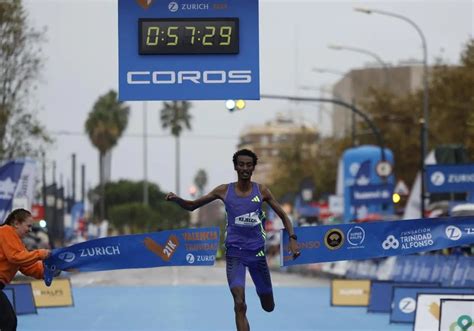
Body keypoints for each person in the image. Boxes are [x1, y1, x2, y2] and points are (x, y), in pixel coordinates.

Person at [166, 149, 300, 331]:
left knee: (268, 306)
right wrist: (178, 200)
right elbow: (192, 206)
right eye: (241, 164)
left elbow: (284, 216)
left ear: (253, 167)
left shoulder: (261, 191)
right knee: (239, 304)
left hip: (257, 254)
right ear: (236, 167)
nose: (245, 168)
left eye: (249, 165)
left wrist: (292, 238)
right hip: (235, 254)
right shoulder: (224, 191)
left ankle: (265, 297)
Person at [0, 209, 51, 331]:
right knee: (9, 321)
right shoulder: (6, 230)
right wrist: (39, 254)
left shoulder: (17, 243)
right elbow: (15, 257)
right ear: (16, 223)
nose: (30, 230)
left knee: (7, 321)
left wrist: (48, 271)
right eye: (28, 226)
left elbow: (28, 267)